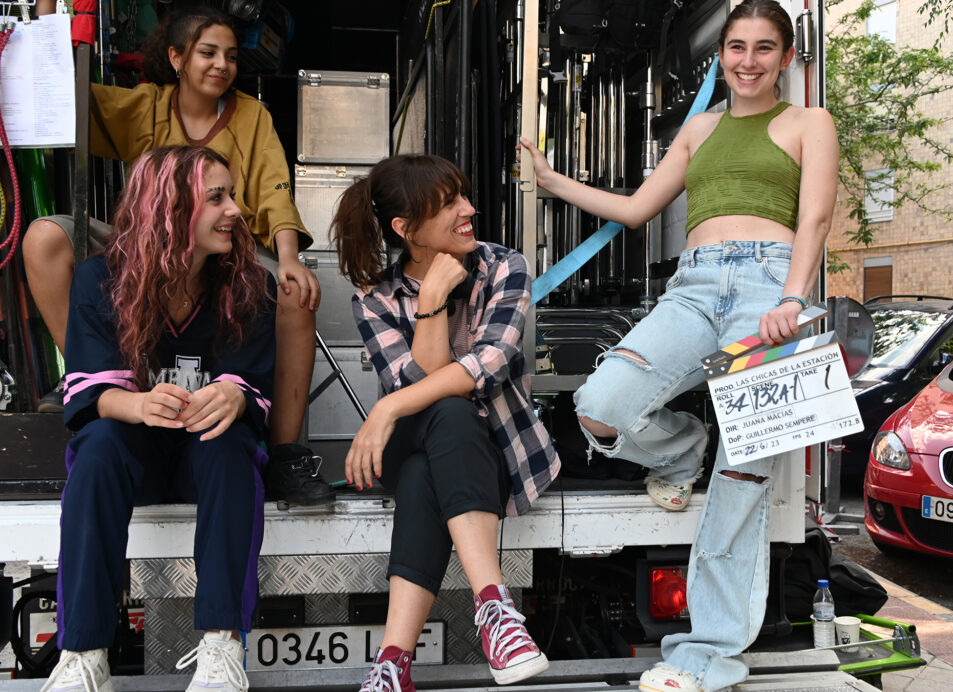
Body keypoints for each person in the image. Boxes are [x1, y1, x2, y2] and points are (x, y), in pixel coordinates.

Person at [518, 2, 838, 691]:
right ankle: (682, 448)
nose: (747, 61)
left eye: (763, 48)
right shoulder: (699, 128)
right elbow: (637, 209)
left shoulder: (810, 122)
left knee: (746, 473)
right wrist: (552, 182)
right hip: (694, 287)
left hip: (768, 288)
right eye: (736, 47)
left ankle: (706, 656)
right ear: (720, 55)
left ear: (785, 56)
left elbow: (814, 214)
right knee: (602, 405)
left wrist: (792, 296)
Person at [25, 3, 331, 505]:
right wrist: (45, 24)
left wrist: (290, 256)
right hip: (144, 247)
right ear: (175, 57)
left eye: (231, 56)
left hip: (229, 251)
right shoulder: (145, 105)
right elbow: (67, 97)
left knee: (294, 294)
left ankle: (286, 455)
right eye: (207, 52)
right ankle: (94, 377)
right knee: (45, 237)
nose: (221, 65)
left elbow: (276, 192)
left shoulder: (252, 115)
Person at [41, 146, 272, 692]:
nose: (235, 210)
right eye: (216, 197)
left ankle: (222, 646)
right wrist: (142, 403)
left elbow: (252, 388)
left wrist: (233, 398)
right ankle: (83, 654)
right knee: (96, 451)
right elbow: (90, 393)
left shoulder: (248, 285)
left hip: (203, 458)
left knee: (229, 444)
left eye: (231, 195)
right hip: (135, 452)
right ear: (168, 207)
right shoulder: (100, 278)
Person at [330, 154, 559, 690]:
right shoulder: (376, 299)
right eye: (449, 203)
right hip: (426, 437)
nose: (469, 210)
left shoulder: (505, 266)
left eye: (463, 195)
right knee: (446, 410)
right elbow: (425, 390)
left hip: (494, 451)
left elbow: (489, 365)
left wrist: (385, 407)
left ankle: (392, 665)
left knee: (423, 471)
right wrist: (431, 299)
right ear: (405, 230)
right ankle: (496, 612)